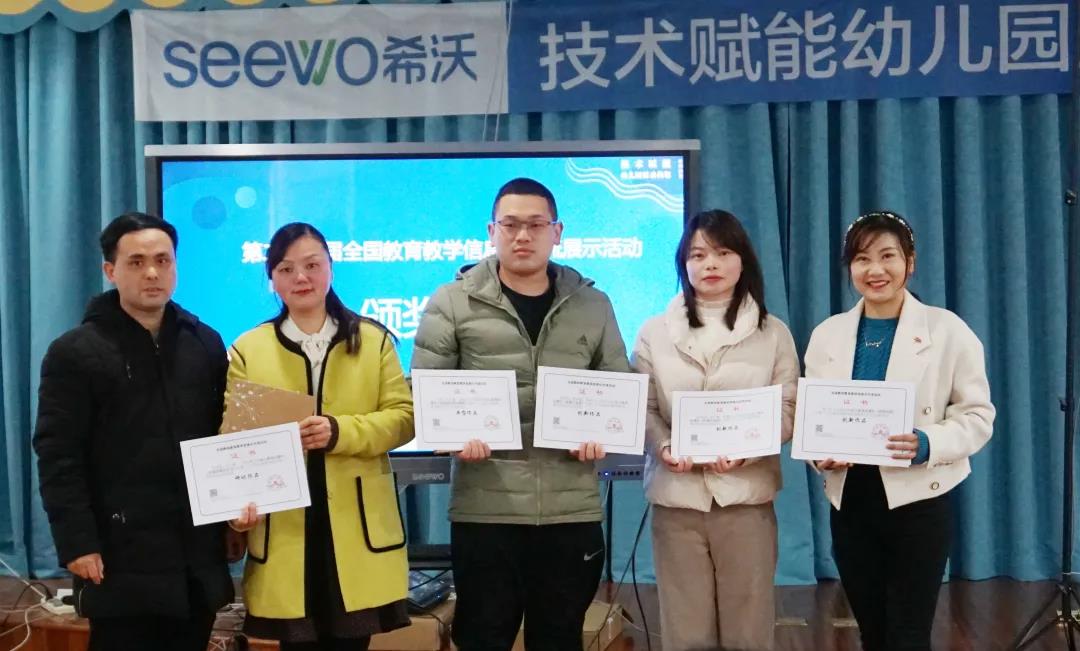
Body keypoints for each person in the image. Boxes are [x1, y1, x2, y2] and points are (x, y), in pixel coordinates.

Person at [412, 177, 630, 650]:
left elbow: (617, 388)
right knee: (482, 637)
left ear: (558, 231)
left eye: (536, 224)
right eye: (510, 225)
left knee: (560, 639)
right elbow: (425, 392)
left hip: (570, 510)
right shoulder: (452, 301)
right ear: (492, 231)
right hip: (485, 511)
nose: (523, 236)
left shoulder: (593, 304)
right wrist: (452, 437)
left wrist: (602, 434)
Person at [33, 212, 233, 650]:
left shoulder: (204, 342)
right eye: (137, 262)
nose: (152, 273)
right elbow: (58, 455)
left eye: (163, 260)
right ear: (110, 271)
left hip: (193, 559)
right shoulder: (75, 352)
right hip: (117, 556)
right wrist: (78, 542)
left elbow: (225, 438)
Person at [804, 210, 996, 651]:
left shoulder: (948, 330)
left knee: (909, 634)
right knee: (871, 631)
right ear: (849, 268)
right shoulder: (828, 334)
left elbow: (977, 416)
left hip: (919, 499)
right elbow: (816, 417)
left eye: (887, 256)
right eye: (862, 259)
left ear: (910, 262)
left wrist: (927, 442)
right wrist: (819, 454)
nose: (875, 270)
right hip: (851, 499)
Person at [226, 222, 414, 651]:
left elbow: (404, 419)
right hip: (286, 529)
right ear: (272, 279)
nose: (301, 278)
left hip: (356, 527)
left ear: (330, 268)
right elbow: (233, 442)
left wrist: (340, 431)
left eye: (312, 265)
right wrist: (236, 511)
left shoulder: (373, 340)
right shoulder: (248, 349)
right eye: (286, 269)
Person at [631, 210, 798, 651]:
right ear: (683, 264)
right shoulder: (653, 333)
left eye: (723, 253)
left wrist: (748, 450)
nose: (710, 264)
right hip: (677, 498)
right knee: (685, 631)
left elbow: (788, 407)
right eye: (698, 254)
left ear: (743, 260)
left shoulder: (773, 333)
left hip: (745, 498)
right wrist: (663, 445)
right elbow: (643, 406)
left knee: (749, 629)